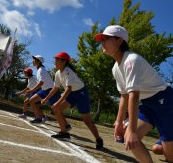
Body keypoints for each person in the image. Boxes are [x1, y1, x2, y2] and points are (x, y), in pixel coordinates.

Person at [95, 25, 173, 162]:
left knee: (169, 155)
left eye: (106, 38)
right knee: (129, 137)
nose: (102, 42)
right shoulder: (115, 68)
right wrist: (119, 121)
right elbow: (124, 96)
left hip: (165, 102)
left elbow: (134, 95)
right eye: (101, 39)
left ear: (119, 41)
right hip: (147, 105)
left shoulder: (131, 60)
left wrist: (131, 129)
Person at [41, 52, 104, 150]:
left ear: (64, 61)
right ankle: (64, 133)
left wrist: (57, 102)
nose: (55, 62)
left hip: (81, 94)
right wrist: (46, 98)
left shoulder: (68, 71)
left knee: (87, 121)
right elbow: (55, 88)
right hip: (72, 94)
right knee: (57, 109)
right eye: (55, 60)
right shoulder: (57, 73)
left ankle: (98, 139)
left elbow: (68, 89)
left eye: (57, 60)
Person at [26, 55, 59, 123]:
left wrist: (32, 90)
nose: (33, 61)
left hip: (50, 90)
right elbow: (42, 83)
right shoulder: (39, 70)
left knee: (55, 109)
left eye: (34, 59)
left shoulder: (41, 70)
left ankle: (66, 124)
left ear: (38, 61)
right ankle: (38, 118)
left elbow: (41, 82)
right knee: (32, 100)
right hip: (44, 90)